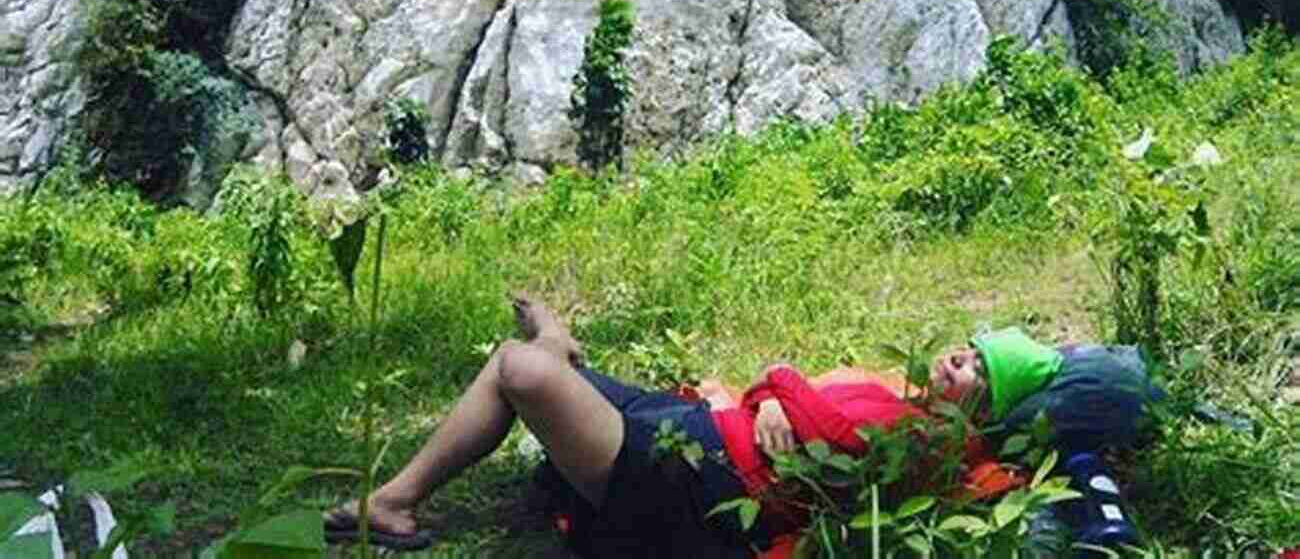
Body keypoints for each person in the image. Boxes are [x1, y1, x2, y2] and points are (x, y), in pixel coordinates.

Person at [322, 297, 1157, 556]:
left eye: (977, 371)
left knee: (522, 369)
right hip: (700, 428)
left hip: (698, 482)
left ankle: (550, 348)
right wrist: (762, 396)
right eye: (966, 349)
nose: (956, 360)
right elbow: (797, 401)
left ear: (988, 409)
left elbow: (825, 425)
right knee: (545, 376)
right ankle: (393, 499)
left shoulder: (937, 445)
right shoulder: (902, 402)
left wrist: (779, 390)